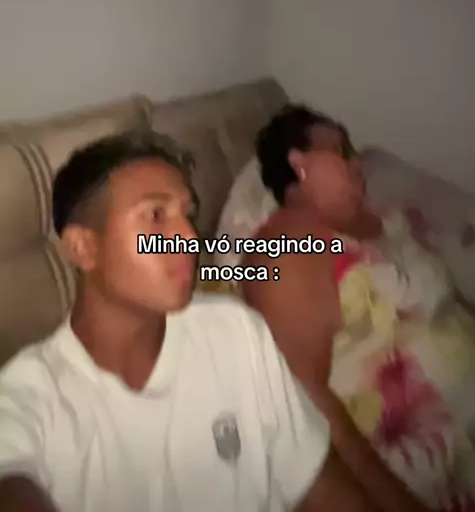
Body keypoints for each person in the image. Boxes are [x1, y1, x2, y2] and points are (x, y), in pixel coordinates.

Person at [0, 129, 378, 512]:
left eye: (189, 215)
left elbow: (322, 489)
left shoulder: (234, 331)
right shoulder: (27, 398)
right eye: (156, 215)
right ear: (83, 248)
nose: (188, 237)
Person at [241, 105, 475, 512]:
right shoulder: (289, 237)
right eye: (340, 150)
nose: (357, 163)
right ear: (299, 164)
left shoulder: (384, 222)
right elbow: (302, 400)